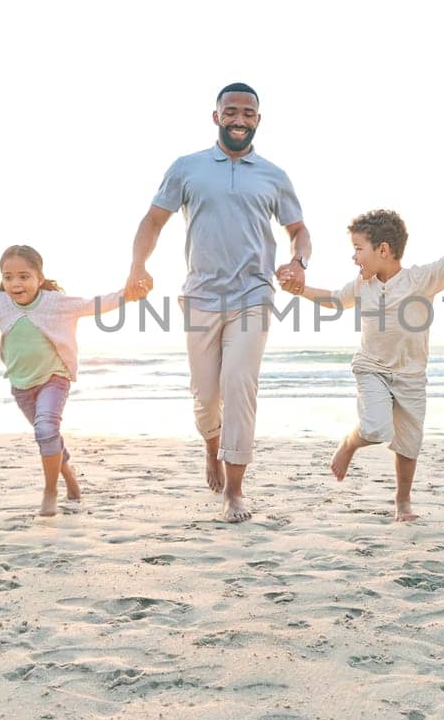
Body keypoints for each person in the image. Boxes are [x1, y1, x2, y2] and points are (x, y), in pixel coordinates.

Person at [125, 82, 310, 523]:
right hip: (200, 296)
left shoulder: (273, 175)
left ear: (258, 121)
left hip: (253, 294)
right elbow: (153, 221)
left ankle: (234, 490)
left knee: (239, 386)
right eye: (232, 112)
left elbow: (299, 229)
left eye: (248, 113)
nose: (239, 120)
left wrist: (298, 261)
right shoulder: (187, 168)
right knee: (206, 397)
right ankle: (212, 450)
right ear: (217, 117)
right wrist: (137, 266)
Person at [283, 206, 444, 521]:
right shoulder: (362, 284)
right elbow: (337, 299)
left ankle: (402, 502)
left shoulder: (420, 279)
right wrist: (300, 290)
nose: (354, 257)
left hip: (411, 376)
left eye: (358, 249)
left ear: (383, 250)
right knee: (376, 428)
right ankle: (350, 443)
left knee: (408, 446)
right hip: (372, 369)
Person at [0, 245, 126, 517]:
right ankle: (69, 474)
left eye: (24, 276)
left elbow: (92, 305)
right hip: (20, 384)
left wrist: (126, 294)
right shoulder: (0, 302)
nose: (15, 283)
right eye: (8, 276)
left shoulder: (53, 302)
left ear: (39, 277)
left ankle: (50, 492)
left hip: (54, 378)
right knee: (48, 436)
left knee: (45, 429)